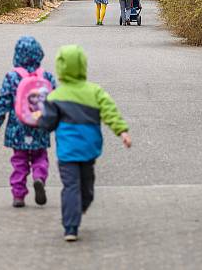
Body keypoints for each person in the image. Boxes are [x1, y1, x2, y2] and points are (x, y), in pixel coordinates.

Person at [36, 45, 131, 242]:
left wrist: (38, 120)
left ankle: (71, 224)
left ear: (60, 68)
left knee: (71, 186)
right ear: (83, 66)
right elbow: (109, 111)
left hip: (67, 152)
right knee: (87, 186)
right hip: (89, 150)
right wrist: (121, 130)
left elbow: (48, 123)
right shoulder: (95, 92)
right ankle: (78, 213)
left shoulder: (55, 96)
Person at [0, 36, 56, 208]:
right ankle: (39, 178)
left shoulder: (12, 77)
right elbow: (56, 100)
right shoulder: (46, 76)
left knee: (19, 161)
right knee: (40, 156)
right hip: (40, 126)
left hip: (18, 128)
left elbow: (3, 102)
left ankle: (18, 195)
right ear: (39, 54)